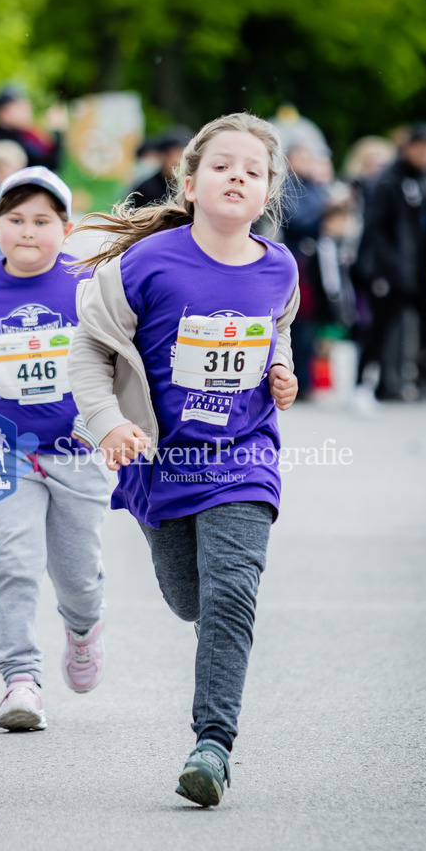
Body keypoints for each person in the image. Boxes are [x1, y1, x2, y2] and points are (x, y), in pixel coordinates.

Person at [68, 112, 299, 807]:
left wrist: (280, 370)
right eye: (222, 166)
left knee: (230, 592)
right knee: (188, 597)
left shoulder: (279, 266)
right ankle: (211, 643)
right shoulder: (146, 263)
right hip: (159, 463)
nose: (237, 177)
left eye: (252, 171)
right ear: (190, 182)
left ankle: (211, 745)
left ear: (266, 195)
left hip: (243, 456)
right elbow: (88, 348)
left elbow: (275, 332)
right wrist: (108, 423)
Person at [0, 166, 111, 730]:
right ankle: (21, 682)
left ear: (66, 228)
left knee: (79, 575)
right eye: (16, 220)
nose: (28, 231)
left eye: (42, 220)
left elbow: (118, 354)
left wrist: (111, 420)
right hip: (4, 449)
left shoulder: (87, 282)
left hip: (78, 452)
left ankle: (82, 631)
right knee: (14, 563)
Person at [354, 123, 426, 401]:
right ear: (409, 148)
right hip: (390, 271)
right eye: (423, 147)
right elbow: (375, 230)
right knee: (380, 328)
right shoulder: (388, 181)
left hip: (421, 271)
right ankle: (362, 386)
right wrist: (384, 270)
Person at [0, 85, 63, 171]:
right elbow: (46, 167)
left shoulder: (22, 135)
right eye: (19, 106)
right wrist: (58, 132)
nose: (26, 110)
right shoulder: (1, 142)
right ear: (2, 113)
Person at [127, 127, 193, 208]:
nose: (180, 162)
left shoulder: (186, 189)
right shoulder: (146, 189)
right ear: (163, 156)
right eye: (176, 155)